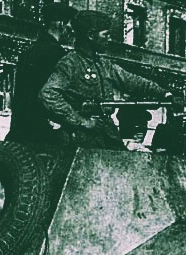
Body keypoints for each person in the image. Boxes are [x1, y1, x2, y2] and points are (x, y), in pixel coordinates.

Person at [40, 10, 172, 150]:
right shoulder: (70, 63)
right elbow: (48, 94)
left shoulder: (104, 65)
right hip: (81, 138)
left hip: (107, 133)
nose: (109, 39)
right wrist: (82, 121)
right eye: (105, 34)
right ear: (91, 35)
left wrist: (165, 93)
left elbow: (132, 81)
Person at [5, 2, 77, 144]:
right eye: (70, 25)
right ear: (61, 24)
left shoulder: (29, 51)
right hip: (45, 133)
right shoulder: (57, 54)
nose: (72, 32)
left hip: (22, 129)